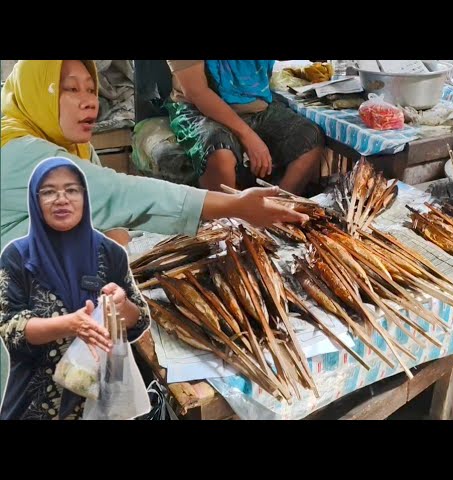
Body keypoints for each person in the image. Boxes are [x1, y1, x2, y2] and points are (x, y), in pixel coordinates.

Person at [0, 60, 309, 251]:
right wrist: (234, 206)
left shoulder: (75, 148)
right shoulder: (17, 151)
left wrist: (112, 236)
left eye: (91, 90)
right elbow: (118, 194)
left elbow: (112, 216)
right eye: (70, 89)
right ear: (38, 91)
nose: (90, 102)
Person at [0, 157, 151, 420]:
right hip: (35, 404)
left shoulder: (110, 254)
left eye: (71, 190)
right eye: (48, 191)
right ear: (35, 202)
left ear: (84, 197)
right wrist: (70, 324)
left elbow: (139, 321)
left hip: (101, 404)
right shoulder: (17, 258)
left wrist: (121, 305)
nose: (61, 199)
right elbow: (10, 328)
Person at [165, 60, 324, 194]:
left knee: (309, 138)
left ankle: (275, 216)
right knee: (220, 152)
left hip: (255, 105)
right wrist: (248, 136)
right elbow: (197, 92)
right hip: (198, 109)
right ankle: (230, 222)